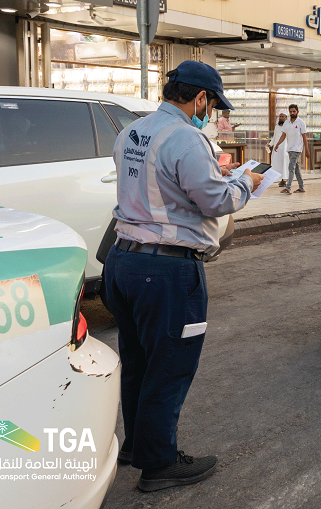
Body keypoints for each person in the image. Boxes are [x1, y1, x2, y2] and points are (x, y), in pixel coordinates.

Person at [105, 60, 264, 493]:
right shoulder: (187, 139)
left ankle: (136, 445)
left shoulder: (132, 132)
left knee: (137, 360)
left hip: (123, 262)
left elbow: (161, 187)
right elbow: (215, 201)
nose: (210, 113)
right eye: (211, 105)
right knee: (171, 366)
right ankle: (159, 464)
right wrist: (246, 181)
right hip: (166, 270)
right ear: (199, 98)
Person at [277, 104, 311, 194]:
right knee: (296, 169)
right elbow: (283, 135)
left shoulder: (301, 123)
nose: (292, 113)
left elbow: (304, 137)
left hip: (297, 149)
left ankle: (288, 188)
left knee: (291, 167)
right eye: (291, 111)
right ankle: (301, 187)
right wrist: (277, 144)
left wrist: (307, 150)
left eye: (294, 111)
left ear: (297, 112)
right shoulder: (286, 123)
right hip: (289, 148)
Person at [269, 112, 289, 187]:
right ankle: (273, 178)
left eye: (282, 116)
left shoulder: (288, 126)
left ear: (286, 118)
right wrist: (270, 144)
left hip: (285, 149)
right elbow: (274, 137)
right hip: (277, 149)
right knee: (275, 163)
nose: (280, 118)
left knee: (284, 164)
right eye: (280, 116)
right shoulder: (277, 126)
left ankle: (284, 180)